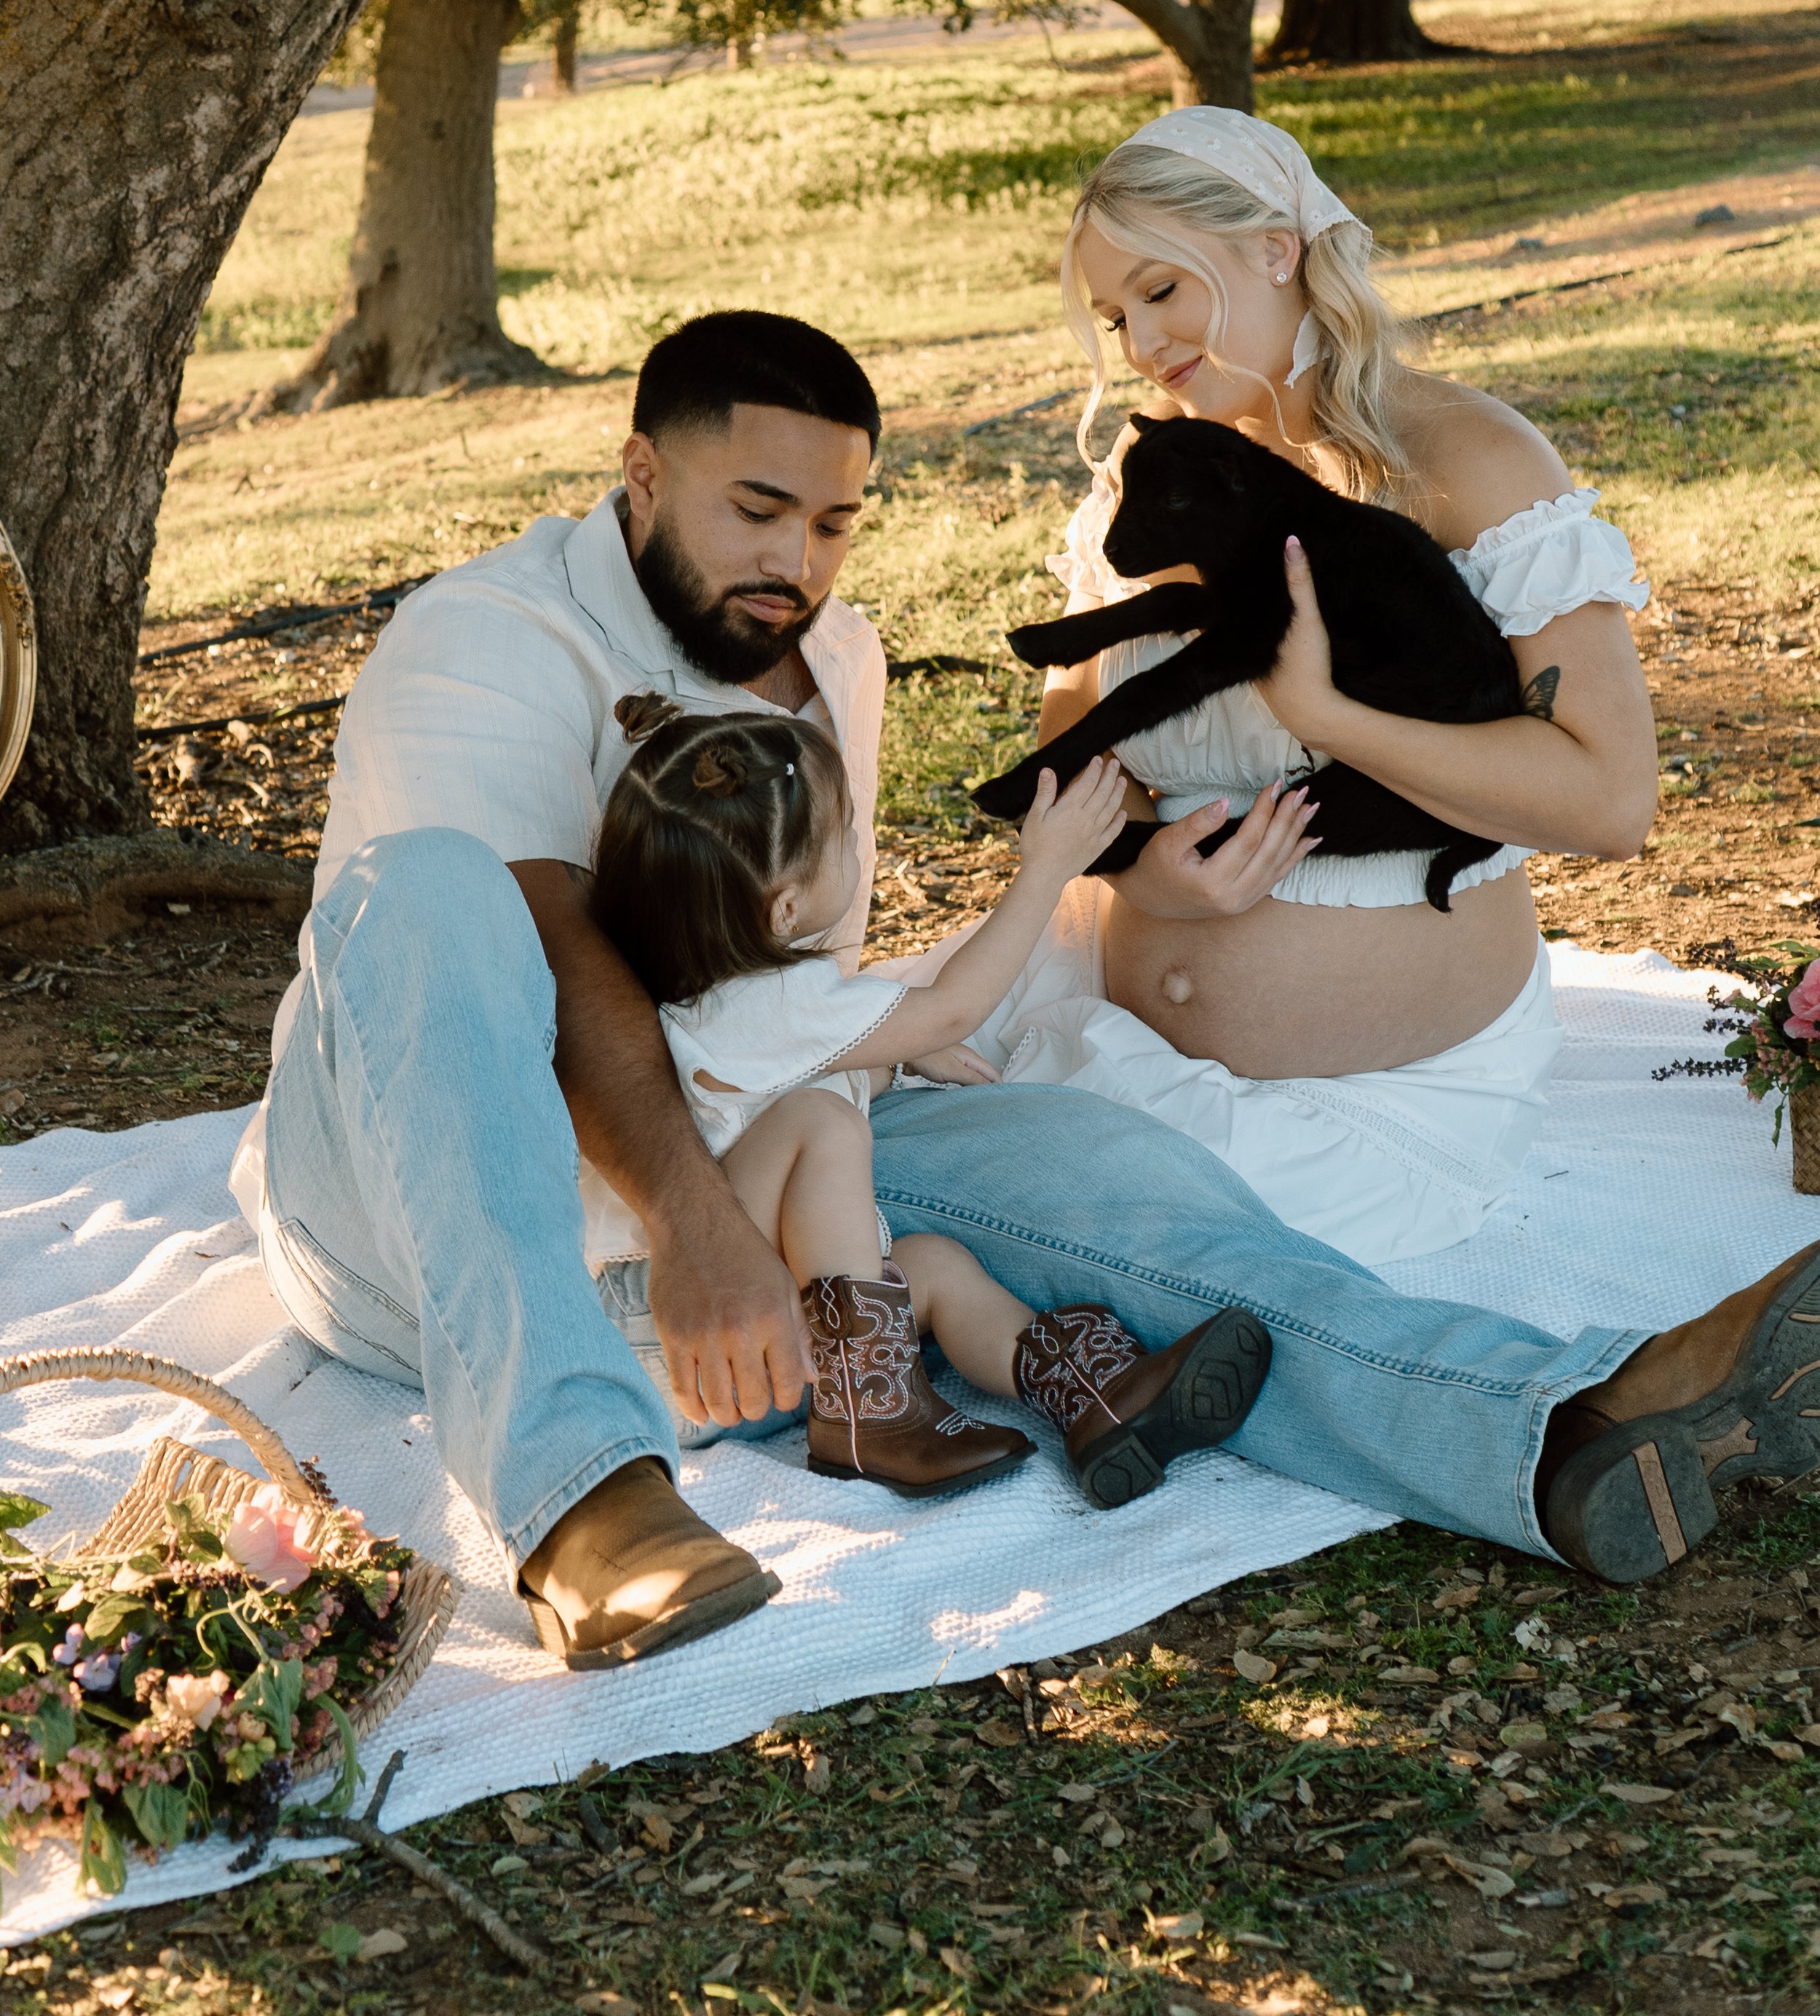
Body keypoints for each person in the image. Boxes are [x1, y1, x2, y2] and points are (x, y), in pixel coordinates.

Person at [234, 306, 1820, 1666]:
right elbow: (553, 953)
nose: (796, 563)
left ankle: (1548, 1427)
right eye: (754, 510)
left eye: (835, 525)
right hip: (427, 1194)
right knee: (429, 889)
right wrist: (699, 1224)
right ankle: (586, 1504)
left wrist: (1051, 943)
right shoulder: (486, 638)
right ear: (641, 474)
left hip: (735, 1134)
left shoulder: (823, 656)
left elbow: (780, 986)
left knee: (1110, 1180)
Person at [1001, 103, 1658, 1265]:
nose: (1143, 342)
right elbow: (1077, 761)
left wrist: (1328, 717)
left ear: (1275, 247)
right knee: (851, 1154)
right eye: (1116, 314)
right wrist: (1142, 868)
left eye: (1162, 290)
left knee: (1063, 1245)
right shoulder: (1158, 478)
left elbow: (1609, 801)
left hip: (1390, 1099)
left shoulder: (1465, 463)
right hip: (1114, 1035)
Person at [586, 692, 1264, 1522]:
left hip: (752, 1348)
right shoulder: (769, 1006)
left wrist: (891, 1045)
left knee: (934, 1264)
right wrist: (1046, 870)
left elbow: (827, 1067)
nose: (857, 847)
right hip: (682, 1336)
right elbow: (951, 1008)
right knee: (820, 1125)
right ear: (786, 908)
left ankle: (1094, 1395)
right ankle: (871, 1414)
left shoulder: (715, 997)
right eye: (843, 837)